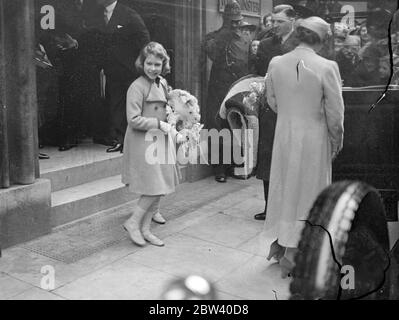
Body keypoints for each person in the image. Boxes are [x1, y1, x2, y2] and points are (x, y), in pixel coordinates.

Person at [264, 16, 345, 278]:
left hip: (285, 135)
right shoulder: (327, 66)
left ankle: (282, 244)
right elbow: (335, 113)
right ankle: (295, 253)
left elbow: (272, 100)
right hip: (314, 137)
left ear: (298, 35)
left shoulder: (276, 62)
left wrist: (289, 115)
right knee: (309, 190)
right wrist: (337, 139)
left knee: (286, 187)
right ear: (321, 40)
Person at [121, 42, 186, 247]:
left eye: (157, 64)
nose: (152, 68)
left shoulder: (162, 83)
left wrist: (177, 118)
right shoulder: (136, 86)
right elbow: (133, 119)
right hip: (143, 141)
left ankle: (146, 230)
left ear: (163, 64)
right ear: (142, 63)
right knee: (153, 186)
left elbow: (168, 108)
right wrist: (159, 124)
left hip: (159, 140)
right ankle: (133, 223)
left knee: (158, 187)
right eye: (149, 63)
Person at [253, 5, 299, 221]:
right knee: (268, 156)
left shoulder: (302, 43)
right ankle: (270, 207)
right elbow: (259, 75)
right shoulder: (265, 45)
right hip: (270, 109)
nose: (275, 25)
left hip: (296, 107)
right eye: (273, 21)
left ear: (292, 20)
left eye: (280, 21)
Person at [91, 0, 150, 153]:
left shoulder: (129, 14)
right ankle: (120, 140)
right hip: (112, 70)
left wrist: (141, 63)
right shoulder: (97, 14)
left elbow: (144, 39)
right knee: (116, 104)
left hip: (129, 70)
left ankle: (133, 142)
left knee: (131, 106)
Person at [203, 0, 250, 183]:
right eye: (233, 21)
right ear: (225, 20)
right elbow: (212, 53)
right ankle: (219, 168)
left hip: (237, 88)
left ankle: (234, 164)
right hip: (218, 89)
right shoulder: (213, 37)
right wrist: (226, 33)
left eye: (238, 21)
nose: (237, 24)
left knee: (236, 126)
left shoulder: (245, 39)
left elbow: (248, 63)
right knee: (217, 126)